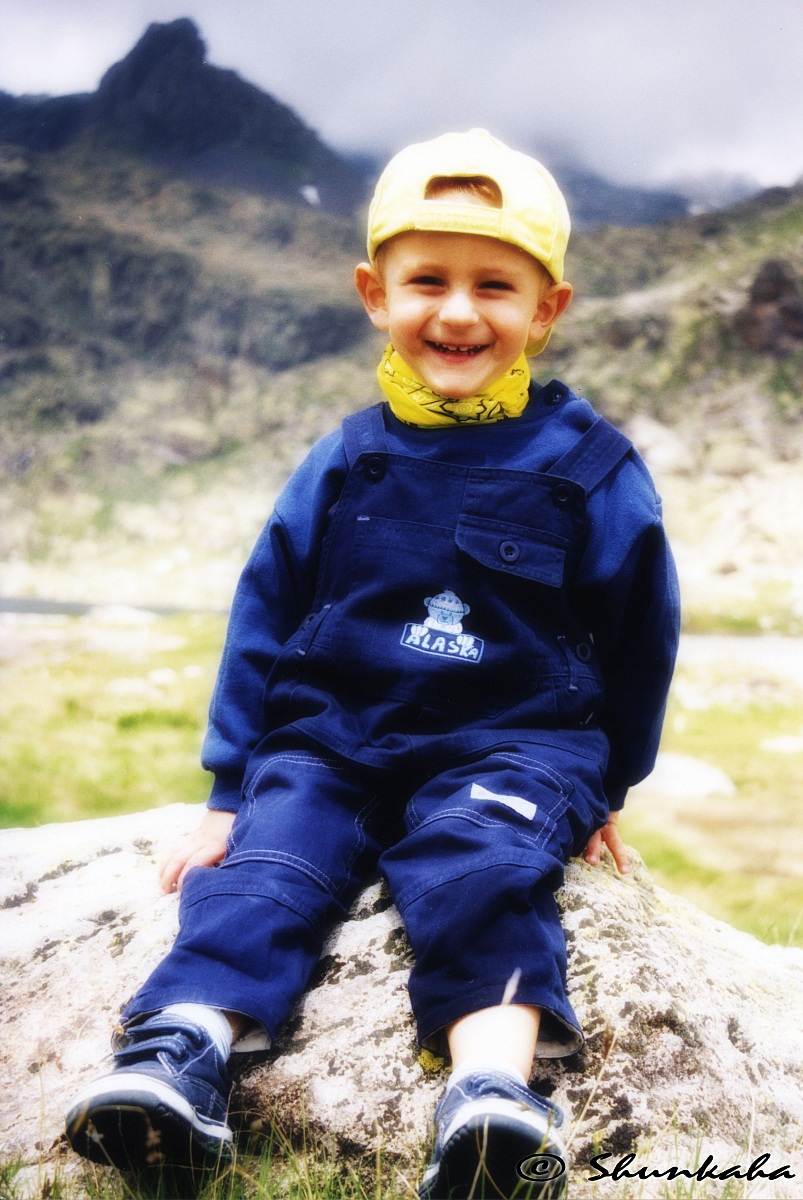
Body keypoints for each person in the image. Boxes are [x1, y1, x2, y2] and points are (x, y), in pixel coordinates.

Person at [65, 129, 680, 1199]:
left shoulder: (591, 467)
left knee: (484, 873)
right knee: (264, 870)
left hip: (511, 748)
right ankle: (176, 1059)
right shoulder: (346, 456)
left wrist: (600, 782)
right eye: (425, 280)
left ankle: (490, 1097)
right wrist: (227, 790)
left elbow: (639, 636)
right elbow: (267, 611)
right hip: (332, 738)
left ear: (545, 310)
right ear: (372, 293)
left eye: (493, 285)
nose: (456, 311)